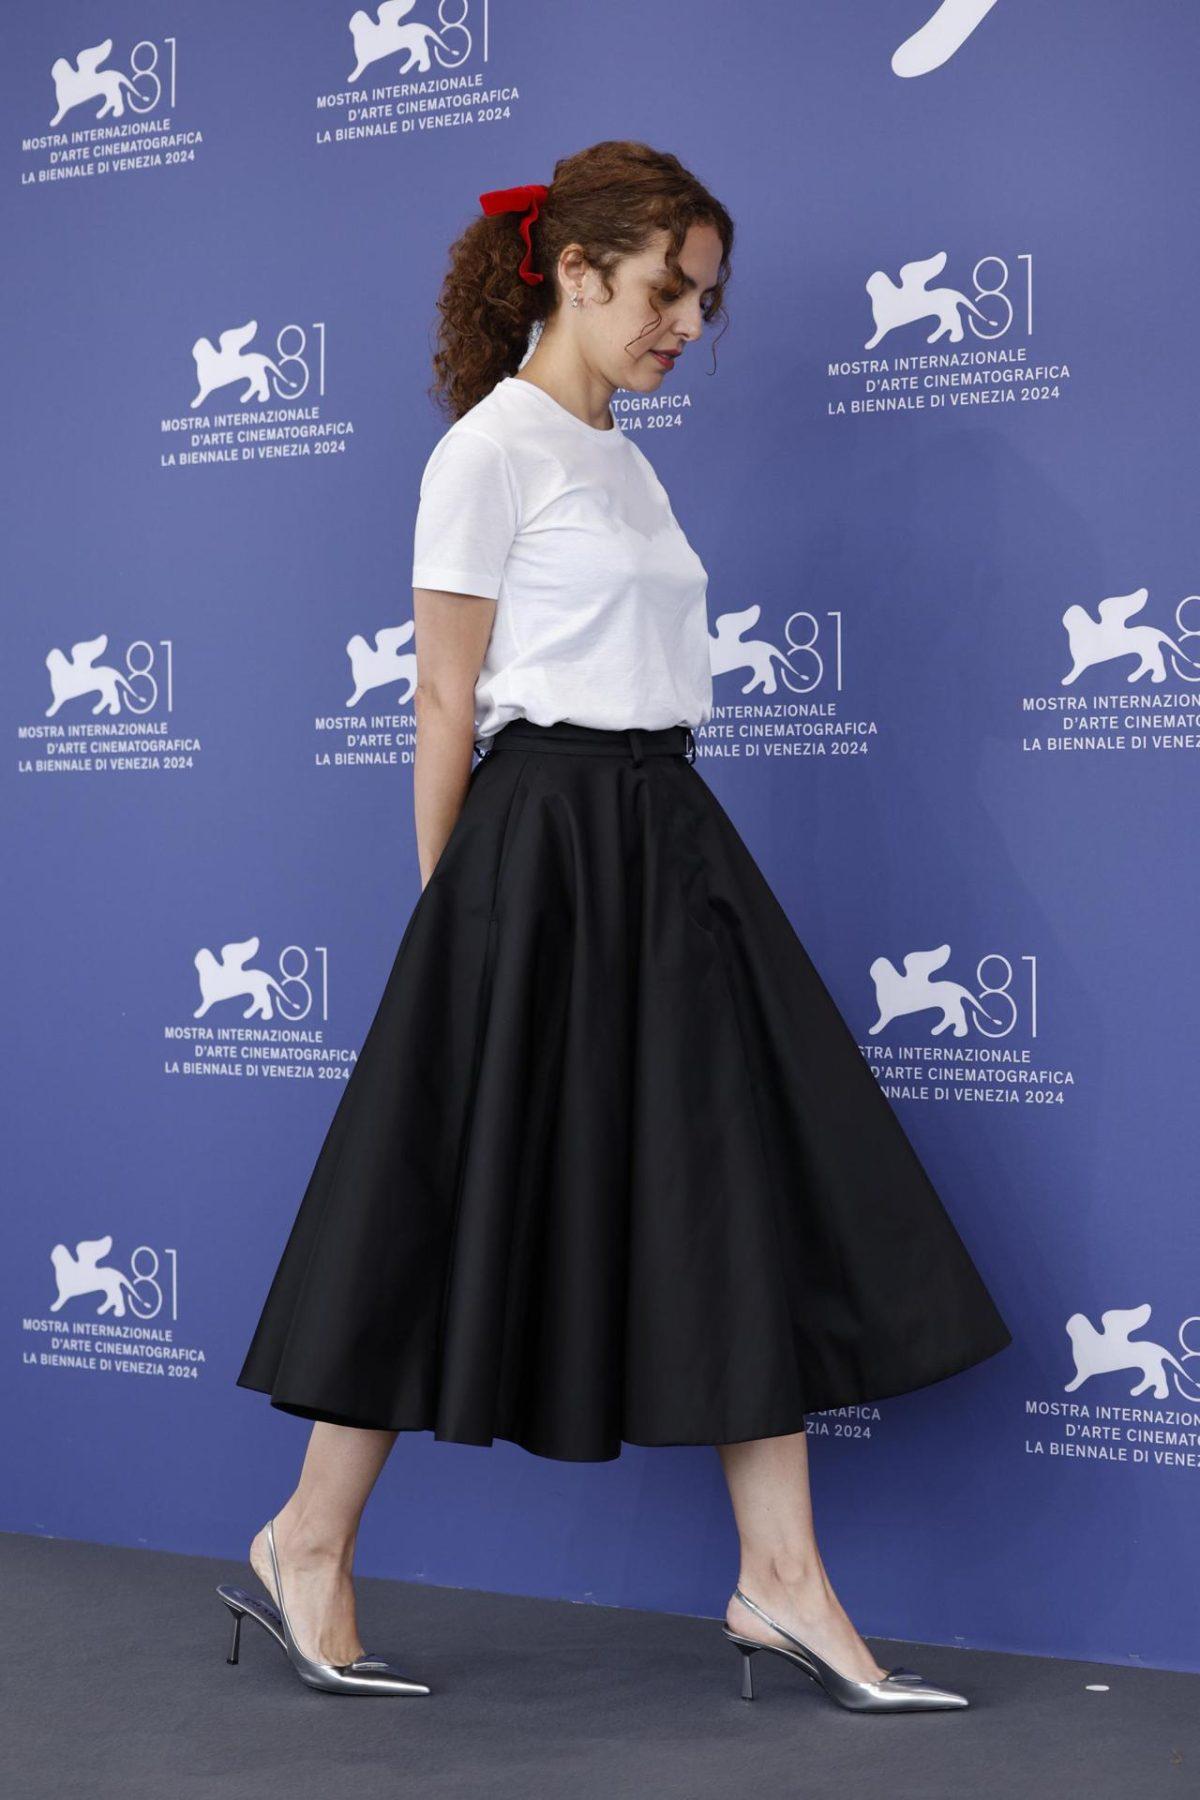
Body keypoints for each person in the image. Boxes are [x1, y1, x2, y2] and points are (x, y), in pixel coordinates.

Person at [221, 139, 1012, 1708]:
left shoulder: (627, 460)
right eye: (667, 291)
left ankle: (780, 1579)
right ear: (574, 272)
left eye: (705, 300)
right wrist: (455, 923)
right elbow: (444, 696)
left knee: (735, 1179)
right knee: (434, 1190)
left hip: (669, 837)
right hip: (539, 847)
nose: (688, 327)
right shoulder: (489, 451)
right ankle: (304, 1541)